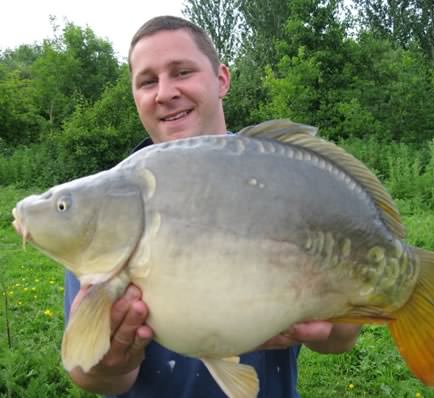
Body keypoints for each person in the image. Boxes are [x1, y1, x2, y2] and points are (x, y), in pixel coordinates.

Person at [64, 15, 361, 398]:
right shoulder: (108, 203)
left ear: (221, 79)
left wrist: (327, 325)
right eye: (148, 81)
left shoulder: (279, 174)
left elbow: (341, 337)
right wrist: (108, 362)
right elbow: (93, 377)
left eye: (182, 71)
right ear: (136, 96)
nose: (165, 92)